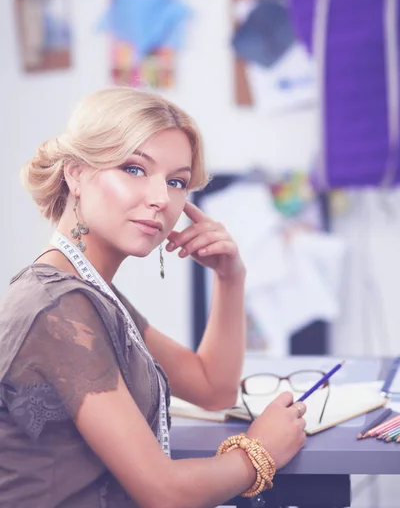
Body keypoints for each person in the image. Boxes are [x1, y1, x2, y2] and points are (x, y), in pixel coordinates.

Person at [0, 87, 306, 507]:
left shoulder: (93, 293)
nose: (162, 199)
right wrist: (258, 453)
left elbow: (212, 387)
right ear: (74, 173)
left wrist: (231, 278)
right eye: (134, 169)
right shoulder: (57, 307)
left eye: (176, 181)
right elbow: (164, 491)